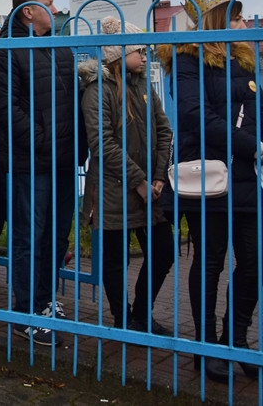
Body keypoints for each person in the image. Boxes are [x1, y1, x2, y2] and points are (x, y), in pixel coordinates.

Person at [158, 0, 260, 383]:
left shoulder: (246, 58)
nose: (243, 22)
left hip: (247, 177)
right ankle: (207, 347)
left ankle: (236, 338)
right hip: (209, 178)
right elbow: (196, 116)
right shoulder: (187, 59)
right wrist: (254, 145)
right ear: (217, 18)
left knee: (253, 262)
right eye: (235, 16)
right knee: (211, 261)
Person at [0, 0, 80, 346]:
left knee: (57, 235)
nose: (55, 8)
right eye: (49, 3)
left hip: (63, 160)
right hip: (31, 162)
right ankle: (26, 310)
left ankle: (44, 301)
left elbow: (72, 98)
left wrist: (75, 146)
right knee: (30, 235)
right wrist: (43, 141)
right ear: (28, 11)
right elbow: (4, 108)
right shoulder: (6, 49)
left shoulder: (57, 46)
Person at [80, 17, 173, 333]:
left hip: (150, 189)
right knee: (115, 261)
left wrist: (158, 177)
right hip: (112, 190)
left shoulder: (143, 85)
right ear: (119, 53)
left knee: (163, 253)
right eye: (139, 51)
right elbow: (102, 144)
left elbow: (164, 129)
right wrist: (140, 180)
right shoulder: (98, 91)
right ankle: (123, 319)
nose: (146, 56)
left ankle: (141, 314)